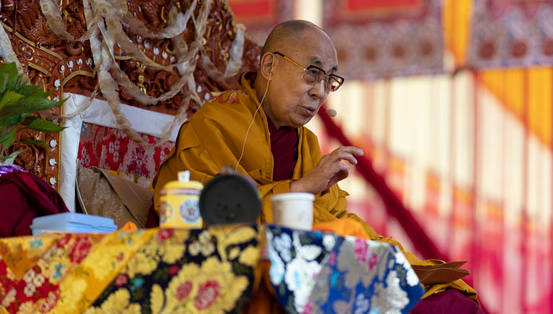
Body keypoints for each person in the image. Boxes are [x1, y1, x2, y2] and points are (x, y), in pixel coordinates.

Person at [152, 20, 482, 311]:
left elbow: (336, 223)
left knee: (450, 302)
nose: (320, 92)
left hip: (316, 272)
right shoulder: (216, 123)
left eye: (330, 80)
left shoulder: (306, 145)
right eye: (313, 73)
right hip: (245, 275)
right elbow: (199, 217)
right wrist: (302, 188)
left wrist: (397, 260)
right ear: (268, 66)